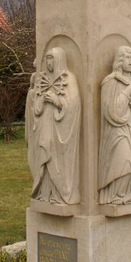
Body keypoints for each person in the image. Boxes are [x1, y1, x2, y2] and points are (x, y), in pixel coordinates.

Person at [98, 45, 131, 205]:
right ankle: (114, 194)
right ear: (119, 60)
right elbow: (110, 109)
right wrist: (127, 93)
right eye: (127, 58)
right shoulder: (110, 81)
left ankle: (127, 195)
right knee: (124, 159)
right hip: (118, 128)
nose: (130, 61)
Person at [29, 47, 81, 204]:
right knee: (44, 154)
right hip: (45, 126)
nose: (48, 62)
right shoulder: (42, 78)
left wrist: (57, 101)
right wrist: (42, 100)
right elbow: (36, 109)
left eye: (51, 58)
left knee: (55, 158)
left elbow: (74, 105)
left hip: (59, 129)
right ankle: (45, 194)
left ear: (59, 60)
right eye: (47, 58)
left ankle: (60, 195)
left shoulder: (68, 79)